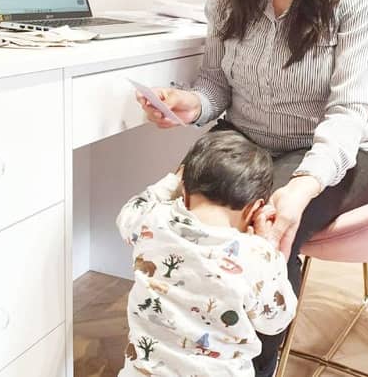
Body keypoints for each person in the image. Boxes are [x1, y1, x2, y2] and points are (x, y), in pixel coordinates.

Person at [135, 0, 368, 374]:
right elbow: (215, 84)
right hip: (242, 138)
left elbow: (350, 111)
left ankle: (254, 366)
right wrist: (188, 105)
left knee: (266, 230)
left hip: (331, 153)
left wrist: (303, 187)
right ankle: (167, 357)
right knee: (173, 218)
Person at [116, 131, 297, 377]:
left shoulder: (152, 220)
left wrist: (172, 181)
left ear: (185, 191)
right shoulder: (257, 254)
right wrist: (270, 249)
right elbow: (276, 320)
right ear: (254, 208)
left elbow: (128, 212)